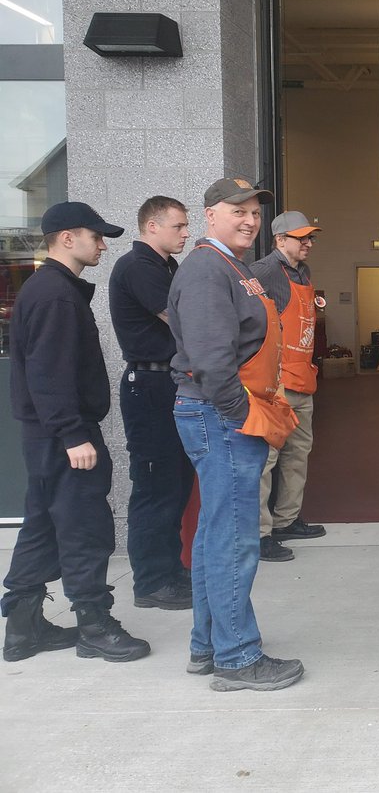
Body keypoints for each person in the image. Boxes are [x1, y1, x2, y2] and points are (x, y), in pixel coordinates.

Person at [168, 178, 302, 692]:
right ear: (209, 215)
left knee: (215, 534)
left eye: (253, 212)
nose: (248, 220)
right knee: (233, 539)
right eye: (236, 211)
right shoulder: (206, 270)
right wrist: (243, 414)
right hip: (221, 417)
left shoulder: (232, 266)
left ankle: (208, 646)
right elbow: (211, 361)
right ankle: (238, 657)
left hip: (222, 415)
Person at [2, 202, 151, 663]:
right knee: (84, 526)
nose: (103, 244)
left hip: (47, 433)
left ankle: (23, 630)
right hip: (63, 434)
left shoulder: (51, 289)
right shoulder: (55, 295)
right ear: (68, 238)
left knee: (43, 524)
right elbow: (49, 372)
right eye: (96, 236)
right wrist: (73, 435)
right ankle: (94, 624)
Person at [108, 196, 195, 610]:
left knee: (176, 484)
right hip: (149, 383)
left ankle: (170, 570)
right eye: (177, 226)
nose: (184, 233)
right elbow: (180, 319)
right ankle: (151, 582)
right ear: (152, 226)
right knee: (156, 485)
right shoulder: (139, 267)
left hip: (168, 381)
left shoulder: (165, 266)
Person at [251, 210, 326, 563]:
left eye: (311, 237)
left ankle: (286, 520)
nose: (309, 243)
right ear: (280, 240)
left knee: (298, 453)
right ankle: (260, 534)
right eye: (302, 238)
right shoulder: (263, 271)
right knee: (265, 460)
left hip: (302, 379)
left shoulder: (303, 272)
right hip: (276, 383)